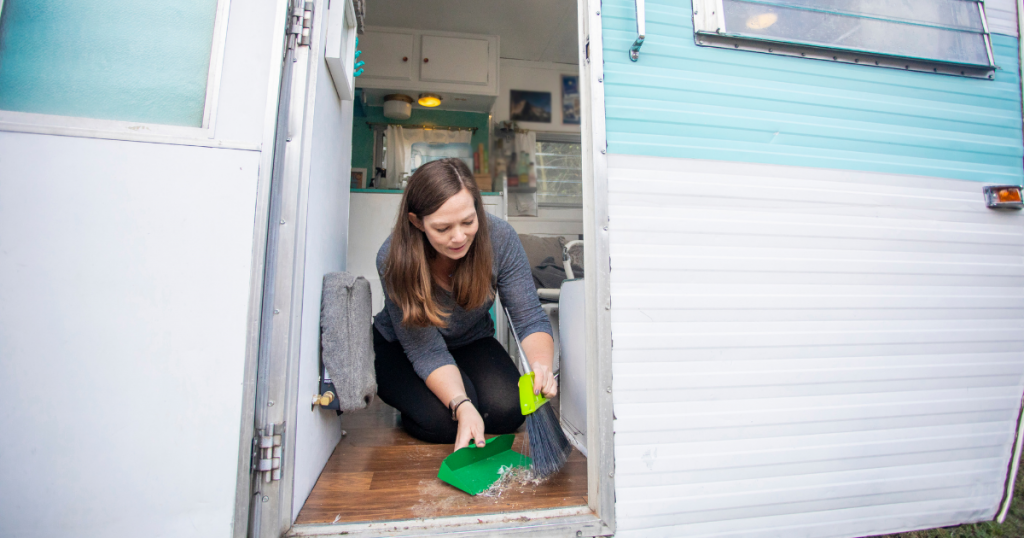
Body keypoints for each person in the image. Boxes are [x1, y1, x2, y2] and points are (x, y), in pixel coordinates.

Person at [373, 158, 556, 451]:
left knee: (507, 411)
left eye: (468, 222)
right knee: (447, 421)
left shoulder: (501, 239)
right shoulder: (393, 258)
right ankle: (415, 404)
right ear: (416, 222)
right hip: (403, 347)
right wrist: (462, 403)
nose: (459, 237)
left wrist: (541, 366)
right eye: (443, 228)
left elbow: (529, 318)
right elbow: (426, 351)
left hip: (469, 339)